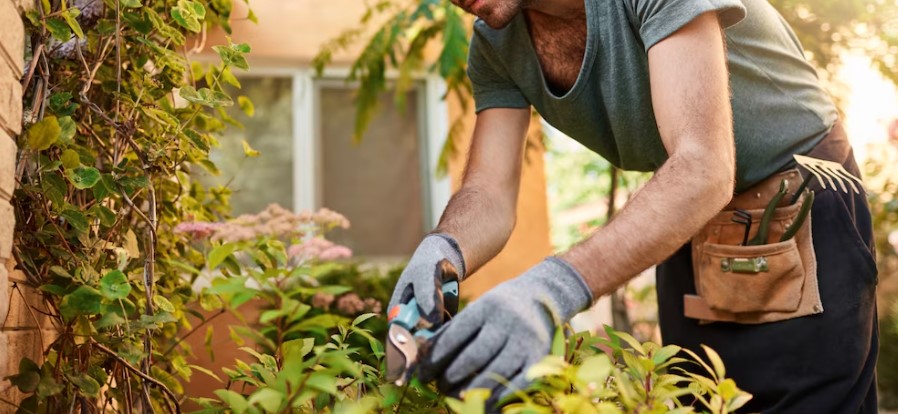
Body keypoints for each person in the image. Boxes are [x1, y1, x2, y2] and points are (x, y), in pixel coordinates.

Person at [387, 0, 879, 412]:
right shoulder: (495, 44)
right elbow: (489, 194)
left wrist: (549, 288)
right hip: (684, 213)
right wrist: (442, 248)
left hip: (797, 199)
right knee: (694, 397)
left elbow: (704, 166)